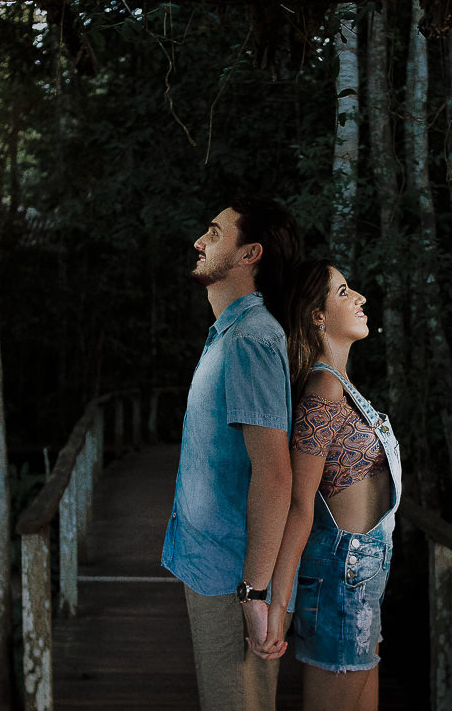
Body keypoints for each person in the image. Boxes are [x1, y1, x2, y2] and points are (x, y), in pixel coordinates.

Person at [161, 196, 301, 711]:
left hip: (232, 576)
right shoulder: (231, 335)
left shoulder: (250, 340)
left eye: (216, 233)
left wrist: (254, 593)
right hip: (214, 568)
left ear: (249, 254)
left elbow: (275, 475)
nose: (199, 241)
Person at [255, 259, 403, 711]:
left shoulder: (341, 386)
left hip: (366, 572)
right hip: (342, 574)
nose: (359, 298)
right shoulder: (324, 389)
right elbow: (300, 503)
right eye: (343, 292)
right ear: (317, 316)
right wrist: (276, 607)